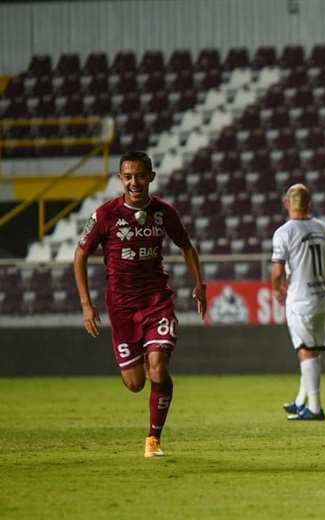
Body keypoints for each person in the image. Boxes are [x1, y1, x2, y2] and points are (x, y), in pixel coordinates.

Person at [74, 150, 207, 458]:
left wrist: (199, 284)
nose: (134, 182)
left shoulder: (163, 212)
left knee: (159, 368)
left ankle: (153, 439)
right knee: (135, 384)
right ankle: (147, 363)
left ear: (151, 177)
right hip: (121, 308)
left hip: (157, 301)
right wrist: (86, 304)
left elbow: (187, 247)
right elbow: (80, 255)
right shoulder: (105, 214)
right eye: (128, 176)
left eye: (140, 176)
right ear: (120, 179)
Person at [273, 183, 325, 420]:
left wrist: (277, 290)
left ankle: (315, 407)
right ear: (310, 203)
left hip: (301, 299)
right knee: (313, 348)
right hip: (323, 297)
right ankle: (302, 401)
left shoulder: (284, 232)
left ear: (286, 203)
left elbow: (278, 271)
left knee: (305, 350)